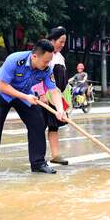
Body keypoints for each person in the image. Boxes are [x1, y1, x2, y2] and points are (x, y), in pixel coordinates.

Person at [0, 39, 66, 176]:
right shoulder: (14, 60)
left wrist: (60, 110)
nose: (48, 64)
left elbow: (54, 90)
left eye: (49, 61)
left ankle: (38, 163)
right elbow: (3, 86)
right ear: (34, 56)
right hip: (1, 91)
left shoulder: (46, 69)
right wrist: (26, 97)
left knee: (38, 122)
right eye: (45, 61)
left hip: (25, 93)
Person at [43, 26, 70, 165]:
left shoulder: (60, 57)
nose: (62, 45)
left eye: (64, 42)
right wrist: (42, 96)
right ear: (52, 40)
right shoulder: (45, 55)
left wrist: (64, 102)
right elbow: (39, 77)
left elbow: (62, 82)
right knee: (40, 126)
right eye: (61, 41)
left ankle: (55, 155)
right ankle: (38, 159)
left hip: (57, 98)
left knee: (53, 126)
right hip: (45, 98)